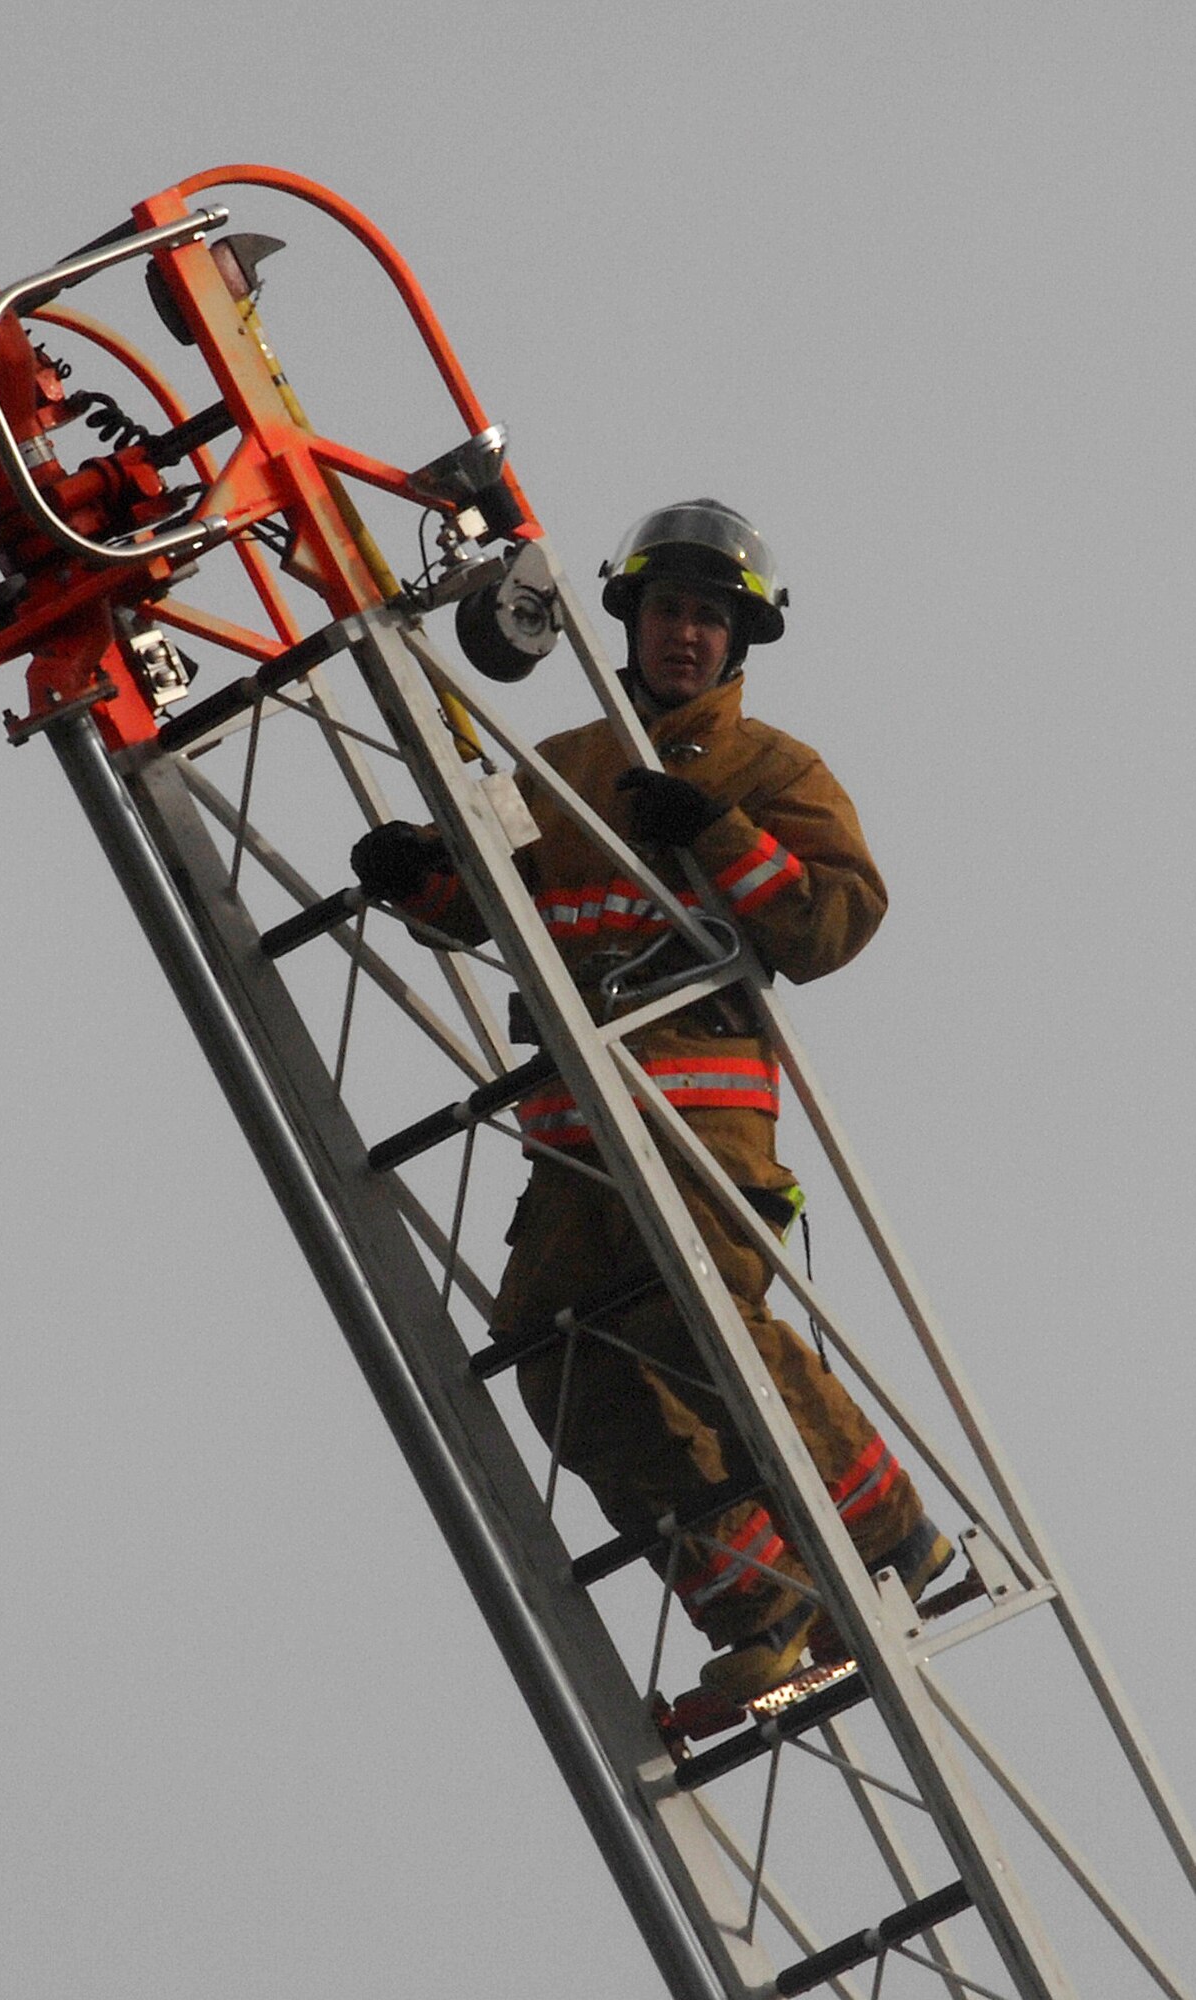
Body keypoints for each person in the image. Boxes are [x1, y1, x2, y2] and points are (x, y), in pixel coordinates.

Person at [352, 501, 950, 1703]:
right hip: (574, 1139)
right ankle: (760, 1606)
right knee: (554, 1360)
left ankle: (891, 1535)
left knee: (703, 1328)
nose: (688, 635)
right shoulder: (563, 766)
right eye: (671, 610)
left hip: (695, 1116)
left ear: (742, 642)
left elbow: (834, 918)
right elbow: (500, 907)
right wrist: (423, 878)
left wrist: (723, 836)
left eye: (711, 619)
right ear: (629, 619)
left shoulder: (771, 768)